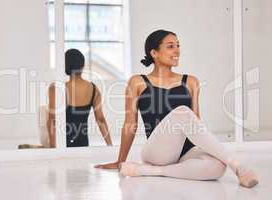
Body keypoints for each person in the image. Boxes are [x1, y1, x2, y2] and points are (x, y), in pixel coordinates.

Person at [94, 30, 259, 188]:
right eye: (170, 46)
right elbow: (130, 124)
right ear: (154, 53)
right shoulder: (138, 82)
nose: (177, 50)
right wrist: (119, 160)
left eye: (178, 45)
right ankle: (237, 165)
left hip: (185, 152)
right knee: (182, 111)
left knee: (218, 166)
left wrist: (207, 152)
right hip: (157, 152)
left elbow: (196, 124)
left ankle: (151, 171)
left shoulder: (191, 82)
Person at [48, 48, 113, 147]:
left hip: (62, 144)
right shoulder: (93, 89)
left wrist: (53, 148)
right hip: (83, 143)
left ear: (65, 66)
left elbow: (52, 120)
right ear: (82, 66)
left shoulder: (56, 88)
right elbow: (100, 119)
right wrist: (110, 144)